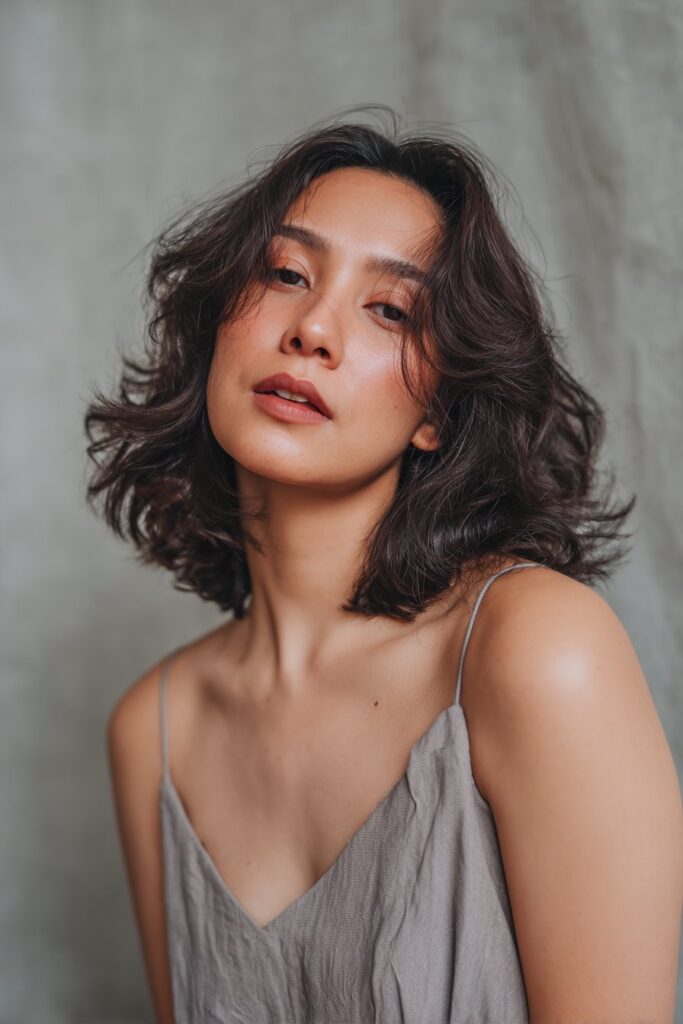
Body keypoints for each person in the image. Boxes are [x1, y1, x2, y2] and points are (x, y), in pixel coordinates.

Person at [85, 109, 682, 1024]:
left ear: (438, 413)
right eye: (284, 274)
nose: (312, 328)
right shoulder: (152, 733)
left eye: (391, 309)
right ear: (214, 332)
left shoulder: (533, 648)